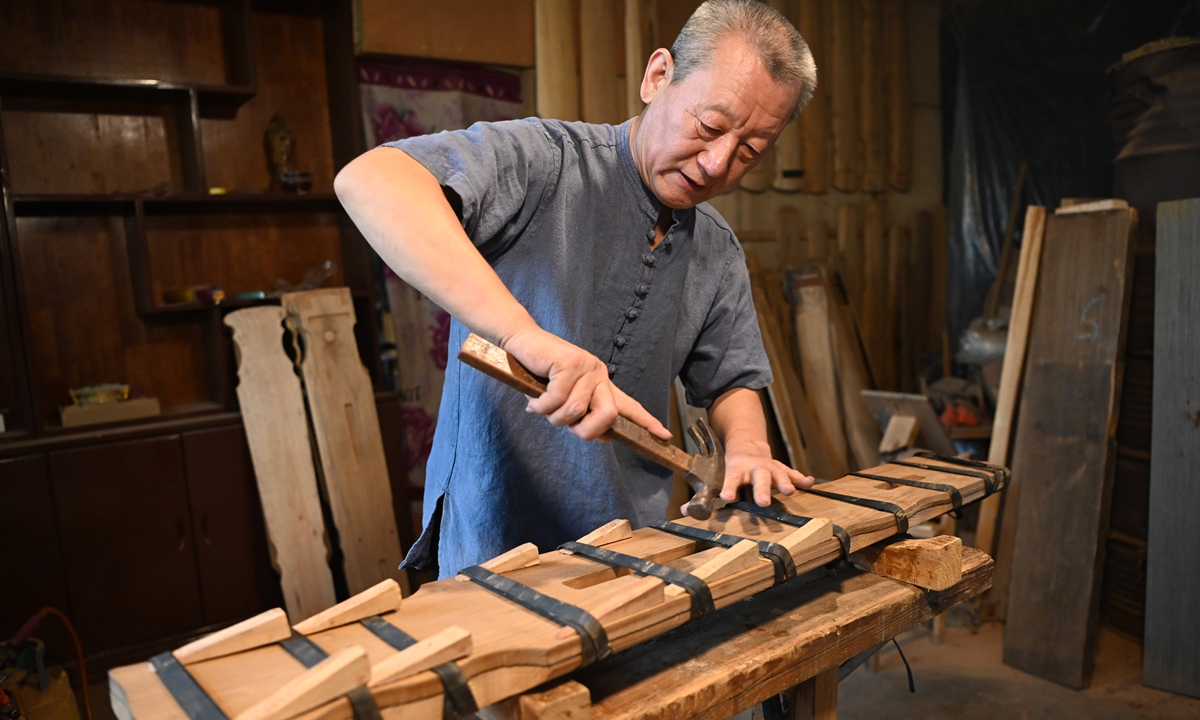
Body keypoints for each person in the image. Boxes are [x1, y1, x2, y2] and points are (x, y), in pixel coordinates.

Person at [336, 0, 818, 579]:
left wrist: (747, 447)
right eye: (710, 127)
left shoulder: (715, 248)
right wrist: (524, 335)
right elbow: (370, 180)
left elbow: (731, 382)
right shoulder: (545, 162)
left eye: (749, 151)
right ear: (658, 76)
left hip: (625, 551)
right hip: (490, 542)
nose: (718, 163)